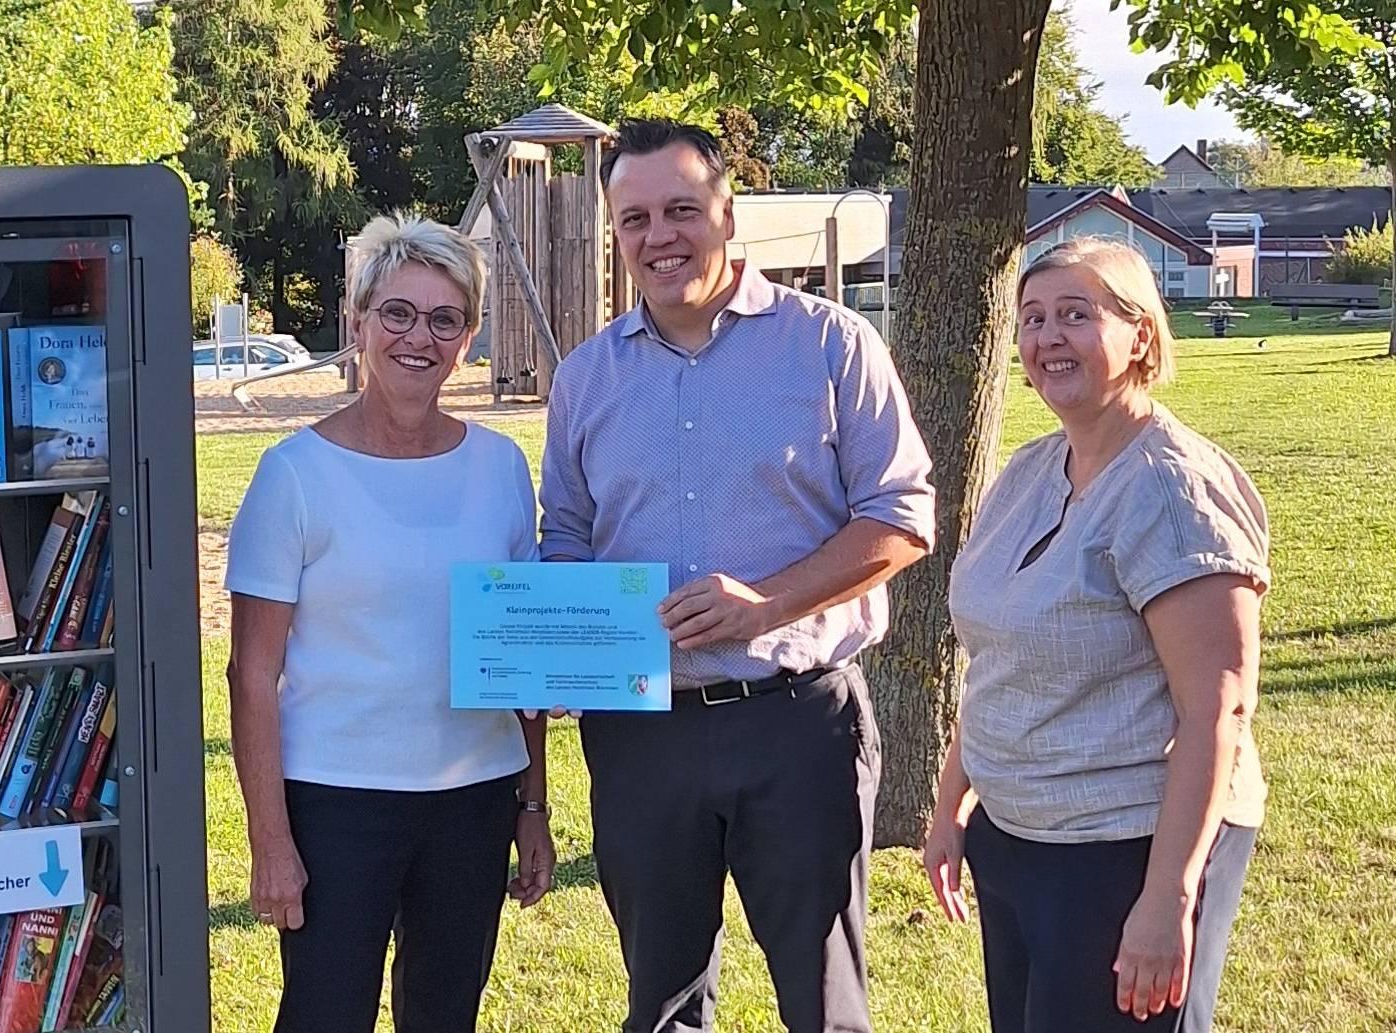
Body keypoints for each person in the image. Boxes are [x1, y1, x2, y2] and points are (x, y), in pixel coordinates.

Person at [539, 118, 937, 1033]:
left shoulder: (831, 346)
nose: (658, 235)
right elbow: (565, 533)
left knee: (825, 996)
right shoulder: (586, 378)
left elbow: (904, 515)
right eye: (634, 218)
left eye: (681, 209)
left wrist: (768, 603)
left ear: (728, 211)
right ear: (613, 230)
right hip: (641, 737)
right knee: (664, 1001)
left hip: (797, 722)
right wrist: (568, 643)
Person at [924, 237, 1269, 1033]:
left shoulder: (1173, 492)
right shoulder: (1033, 469)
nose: (1048, 338)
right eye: (1033, 318)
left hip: (1125, 849)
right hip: (1017, 838)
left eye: (1076, 316)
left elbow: (1216, 711)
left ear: (1140, 334)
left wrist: (1165, 898)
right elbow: (999, 658)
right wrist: (952, 803)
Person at [225, 211, 555, 1033]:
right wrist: (271, 843)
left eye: (445, 318)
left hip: (472, 801)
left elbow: (523, 658)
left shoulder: (502, 467)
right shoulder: (293, 475)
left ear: (469, 335)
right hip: (337, 803)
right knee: (324, 1015)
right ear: (361, 322)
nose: (419, 337)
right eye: (398, 313)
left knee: (445, 1016)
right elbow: (251, 672)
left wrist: (533, 806)